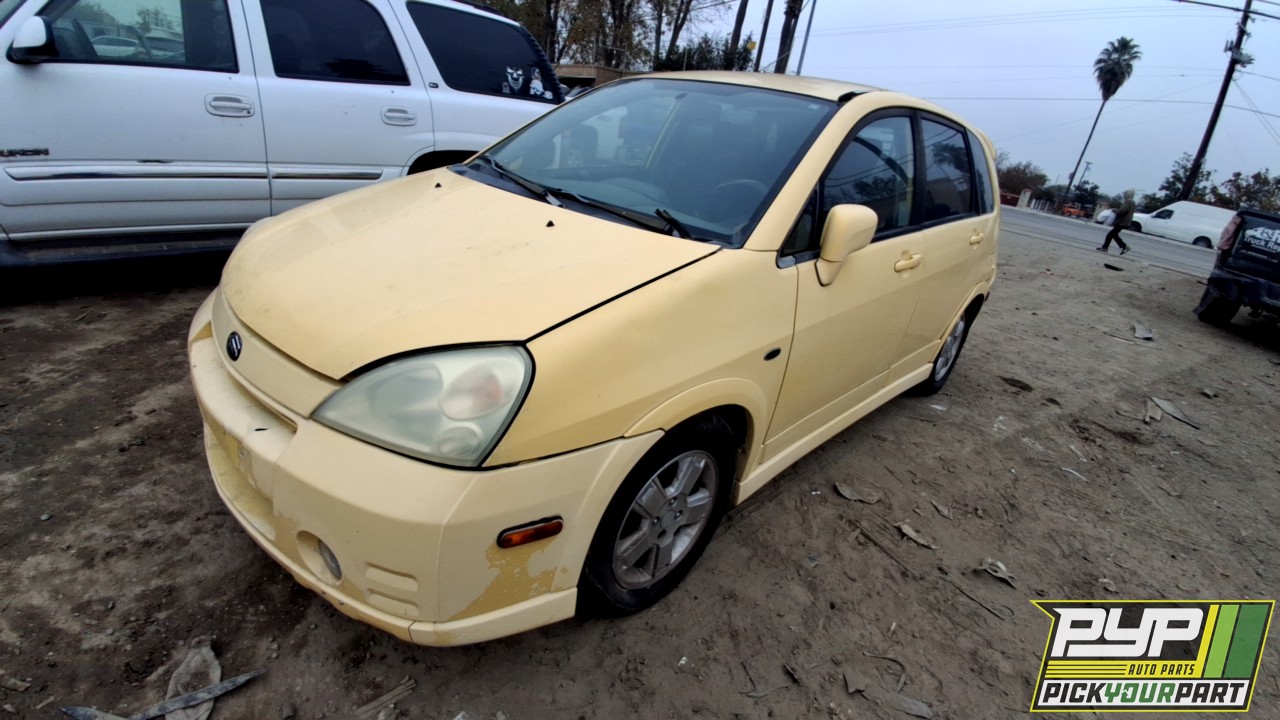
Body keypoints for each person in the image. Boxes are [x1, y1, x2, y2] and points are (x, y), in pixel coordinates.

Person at [1098, 189, 1135, 255]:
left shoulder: (1128, 201)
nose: (1124, 195)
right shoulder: (1133, 202)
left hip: (1122, 221)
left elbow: (1121, 211)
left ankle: (1123, 246)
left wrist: (1114, 210)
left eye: (1125, 194)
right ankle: (1106, 247)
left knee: (1112, 234)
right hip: (1126, 221)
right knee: (1113, 234)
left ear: (1127, 194)